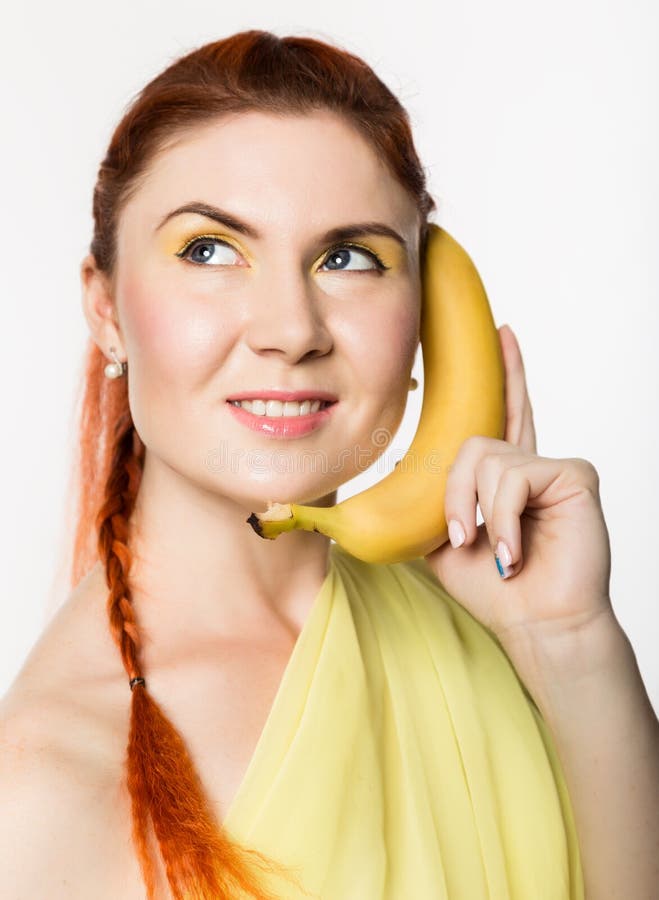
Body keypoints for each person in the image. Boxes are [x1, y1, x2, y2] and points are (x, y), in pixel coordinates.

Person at [1, 28, 657, 900]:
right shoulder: (45, 789)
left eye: (348, 257)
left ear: (422, 310)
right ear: (106, 310)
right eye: (210, 249)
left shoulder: (500, 629)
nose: (292, 329)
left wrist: (569, 644)